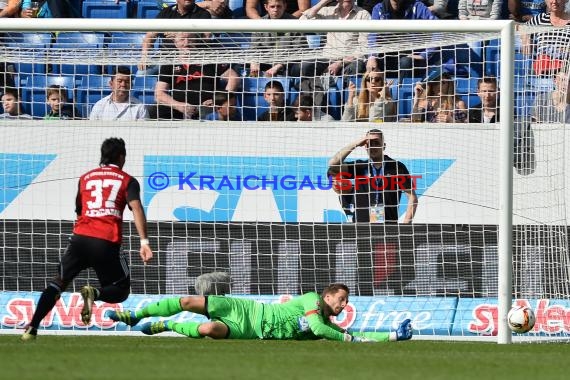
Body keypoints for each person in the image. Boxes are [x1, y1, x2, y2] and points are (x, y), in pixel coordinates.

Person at [21, 138, 153, 341]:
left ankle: (32, 326)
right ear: (121, 157)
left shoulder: (85, 178)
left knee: (58, 283)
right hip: (106, 241)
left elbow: (79, 209)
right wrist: (144, 242)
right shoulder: (127, 180)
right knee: (121, 289)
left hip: (80, 239)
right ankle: (94, 293)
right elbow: (136, 208)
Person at [107, 282, 413, 342]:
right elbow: (321, 331)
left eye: (345, 302)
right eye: (341, 299)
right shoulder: (311, 302)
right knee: (189, 302)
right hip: (246, 308)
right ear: (328, 295)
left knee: (208, 330)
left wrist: (391, 336)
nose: (344, 305)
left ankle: (165, 325)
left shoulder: (326, 325)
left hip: (250, 331)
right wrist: (348, 340)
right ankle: (135, 315)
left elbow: (357, 333)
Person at [328, 129, 418, 223]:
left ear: (384, 146)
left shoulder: (397, 167)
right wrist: (356, 144)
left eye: (376, 143)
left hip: (389, 227)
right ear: (365, 146)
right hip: (361, 226)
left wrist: (406, 225)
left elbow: (412, 197)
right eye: (370, 143)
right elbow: (333, 163)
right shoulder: (359, 167)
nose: (373, 146)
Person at [150, 32, 240, 120]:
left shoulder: (208, 58)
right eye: (182, 39)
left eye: (190, 39)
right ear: (175, 43)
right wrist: (178, 105)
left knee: (221, 111)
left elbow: (233, 77)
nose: (186, 43)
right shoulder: (170, 63)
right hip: (178, 109)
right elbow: (159, 94)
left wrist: (219, 100)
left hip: (208, 108)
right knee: (156, 111)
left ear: (196, 40)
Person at [369, 0, 439, 79]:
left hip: (411, 58)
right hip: (386, 57)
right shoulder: (379, 9)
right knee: (369, 64)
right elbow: (372, 35)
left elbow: (439, 28)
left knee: (406, 62)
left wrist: (424, 55)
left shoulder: (417, 7)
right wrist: (372, 56)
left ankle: (405, 90)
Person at [139, 0, 211, 74]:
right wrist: (144, 56)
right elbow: (149, 36)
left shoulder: (203, 14)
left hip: (191, 58)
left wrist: (177, 34)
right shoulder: (166, 12)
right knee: (142, 73)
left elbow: (206, 39)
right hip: (165, 57)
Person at [248, 0, 308, 78]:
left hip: (289, 66)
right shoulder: (260, 24)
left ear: (285, 6)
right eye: (272, 6)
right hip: (265, 64)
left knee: (303, 66)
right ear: (266, 7)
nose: (275, 9)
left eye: (279, 6)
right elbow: (254, 48)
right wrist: (254, 62)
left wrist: (279, 65)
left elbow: (300, 51)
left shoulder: (295, 23)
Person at [246, 0, 310, 18]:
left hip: (292, 19)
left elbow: (303, 9)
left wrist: (288, 20)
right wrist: (261, 22)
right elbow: (250, 8)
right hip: (267, 19)